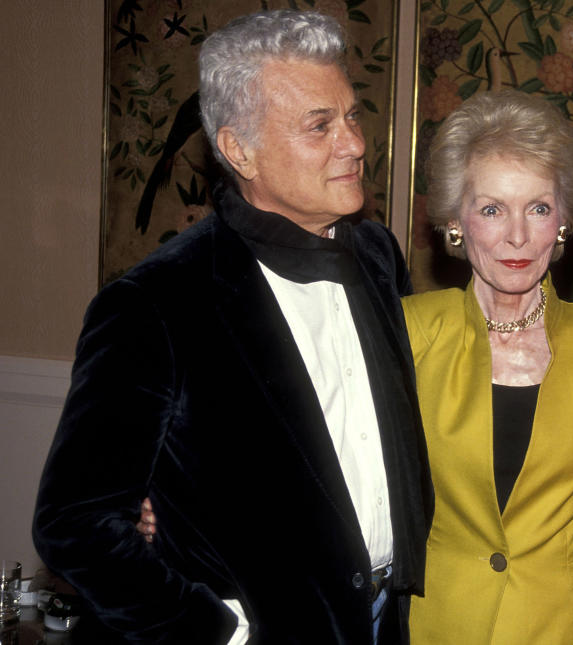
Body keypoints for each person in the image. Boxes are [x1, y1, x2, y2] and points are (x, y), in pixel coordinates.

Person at [32, 10, 432, 644]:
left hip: (384, 623)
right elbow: (75, 524)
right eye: (319, 125)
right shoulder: (155, 302)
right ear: (239, 150)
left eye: (352, 116)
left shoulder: (377, 256)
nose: (354, 143)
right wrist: (218, 632)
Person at [403, 90, 573, 643]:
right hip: (441, 624)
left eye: (538, 208)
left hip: (564, 626)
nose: (517, 236)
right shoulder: (409, 332)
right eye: (492, 209)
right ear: (455, 220)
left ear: (563, 221)